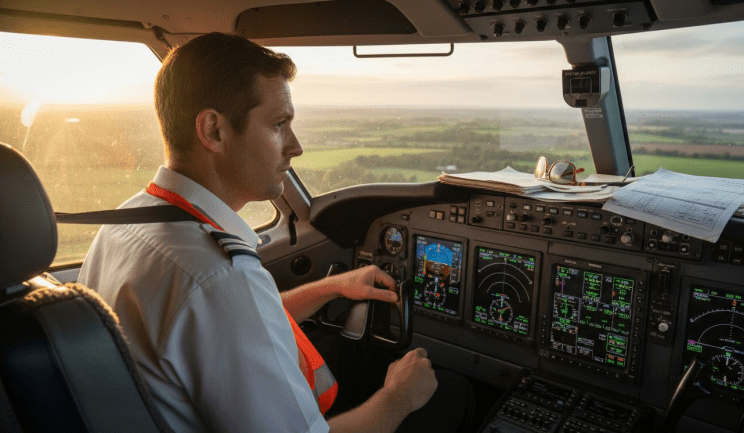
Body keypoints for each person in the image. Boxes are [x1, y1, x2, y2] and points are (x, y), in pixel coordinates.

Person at [78, 32, 460, 432]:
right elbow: (224, 308)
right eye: (279, 124)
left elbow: (224, 330)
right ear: (213, 131)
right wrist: (398, 397)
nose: (295, 146)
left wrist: (333, 287)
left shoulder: (128, 222)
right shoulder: (218, 278)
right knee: (450, 395)